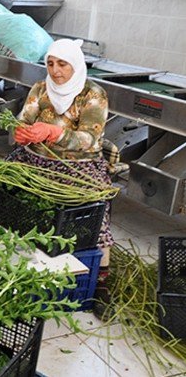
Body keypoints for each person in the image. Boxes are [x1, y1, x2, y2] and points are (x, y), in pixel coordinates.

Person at [10, 38, 113, 315]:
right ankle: (28, 266)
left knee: (96, 219)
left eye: (62, 64)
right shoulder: (40, 89)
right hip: (37, 162)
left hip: (79, 168)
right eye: (51, 63)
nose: (56, 70)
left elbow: (90, 138)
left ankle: (101, 282)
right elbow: (24, 117)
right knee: (15, 204)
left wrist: (55, 133)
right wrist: (21, 132)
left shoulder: (93, 94)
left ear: (75, 65)